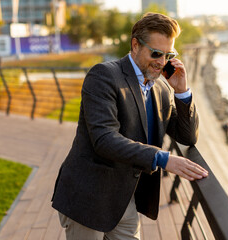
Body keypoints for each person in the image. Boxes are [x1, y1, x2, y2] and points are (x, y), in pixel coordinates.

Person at [51, 12, 209, 240]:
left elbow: (187, 136)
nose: (162, 62)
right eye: (156, 53)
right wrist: (162, 158)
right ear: (135, 45)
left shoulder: (162, 88)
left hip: (125, 199)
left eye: (168, 55)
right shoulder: (103, 76)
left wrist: (182, 91)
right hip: (89, 197)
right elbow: (104, 139)